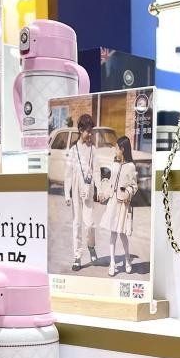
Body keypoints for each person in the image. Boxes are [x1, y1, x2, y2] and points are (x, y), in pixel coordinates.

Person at [64, 114, 99, 271]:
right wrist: (67, 193)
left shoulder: (93, 150)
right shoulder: (73, 150)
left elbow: (96, 171)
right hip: (76, 189)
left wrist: (99, 189)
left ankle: (91, 245)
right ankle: (77, 256)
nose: (90, 134)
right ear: (80, 130)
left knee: (89, 224)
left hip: (88, 189)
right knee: (77, 223)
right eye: (88, 131)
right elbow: (68, 174)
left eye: (91, 131)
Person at [100, 136, 138, 277]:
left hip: (123, 204)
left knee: (122, 234)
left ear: (122, 149)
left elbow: (134, 186)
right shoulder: (114, 164)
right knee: (113, 234)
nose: (115, 150)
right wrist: (104, 195)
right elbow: (111, 183)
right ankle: (112, 263)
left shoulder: (131, 166)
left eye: (116, 148)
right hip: (113, 204)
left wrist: (127, 192)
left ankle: (127, 259)